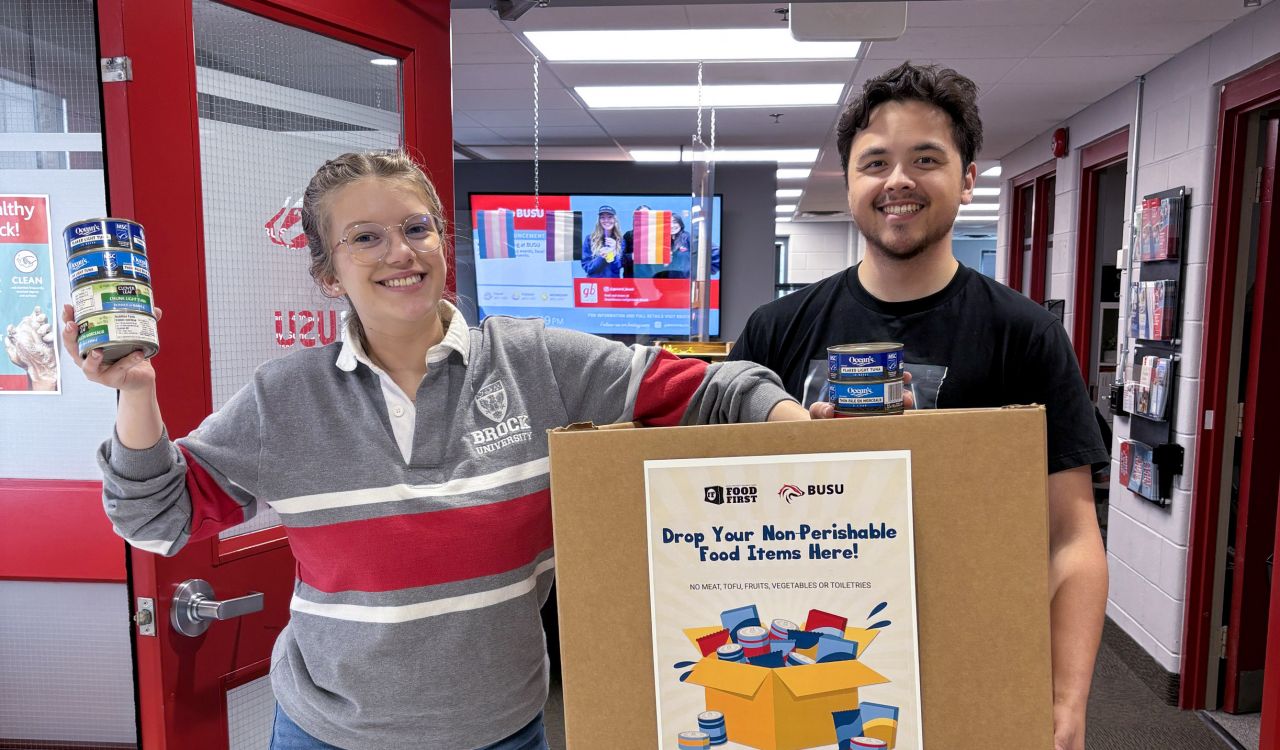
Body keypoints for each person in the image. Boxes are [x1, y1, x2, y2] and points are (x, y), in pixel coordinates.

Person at [63, 151, 808, 750]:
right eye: (365, 238)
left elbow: (715, 391)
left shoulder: (536, 362)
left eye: (417, 228)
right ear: (327, 273)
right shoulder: (285, 399)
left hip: (498, 730)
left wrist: (809, 432)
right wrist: (135, 390)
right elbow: (157, 517)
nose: (401, 253)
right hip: (329, 734)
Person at [728, 62, 1108, 750]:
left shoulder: (1025, 336)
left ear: (966, 178)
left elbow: (1073, 535)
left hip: (970, 658)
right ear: (849, 182)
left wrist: (1067, 697)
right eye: (875, 162)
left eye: (926, 159)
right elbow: (722, 499)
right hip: (810, 660)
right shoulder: (774, 331)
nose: (898, 180)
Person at [580, 204, 623, 278]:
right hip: (594, 285)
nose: (606, 220)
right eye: (602, 218)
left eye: (610, 217)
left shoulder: (620, 240)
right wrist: (601, 257)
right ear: (599, 221)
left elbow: (617, 267)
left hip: (613, 285)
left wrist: (613, 252)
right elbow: (587, 267)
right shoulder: (590, 239)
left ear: (615, 220)